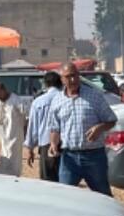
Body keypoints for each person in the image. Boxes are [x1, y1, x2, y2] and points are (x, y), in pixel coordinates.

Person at [47, 60, 117, 193]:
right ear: (62, 79)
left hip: (94, 156)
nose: (72, 79)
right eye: (68, 77)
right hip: (69, 157)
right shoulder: (57, 100)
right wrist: (53, 145)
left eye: (75, 75)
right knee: (65, 196)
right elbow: (54, 128)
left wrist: (99, 128)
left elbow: (111, 120)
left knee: (103, 196)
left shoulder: (94, 96)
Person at [24, 71, 63, 181]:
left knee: (48, 181)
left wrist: (30, 148)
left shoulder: (38, 102)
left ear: (45, 84)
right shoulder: (66, 99)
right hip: (65, 145)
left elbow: (33, 127)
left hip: (46, 145)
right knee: (65, 183)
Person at [0, 81, 27, 177]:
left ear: (4, 90)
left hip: (15, 137)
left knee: (14, 161)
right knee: (4, 159)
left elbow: (24, 116)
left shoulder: (16, 100)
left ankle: (15, 179)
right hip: (3, 138)